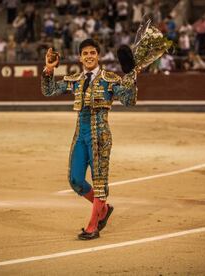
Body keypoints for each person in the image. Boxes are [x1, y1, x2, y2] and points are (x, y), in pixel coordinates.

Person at [41, 39, 138, 240]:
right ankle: (103, 208)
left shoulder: (109, 79)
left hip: (100, 135)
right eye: (85, 53)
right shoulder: (75, 79)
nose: (89, 56)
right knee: (75, 180)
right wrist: (49, 69)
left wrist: (132, 76)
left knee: (100, 182)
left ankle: (93, 226)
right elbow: (49, 91)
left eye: (93, 52)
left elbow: (129, 100)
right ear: (80, 57)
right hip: (80, 135)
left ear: (98, 56)